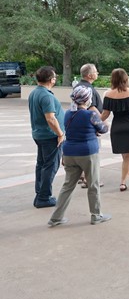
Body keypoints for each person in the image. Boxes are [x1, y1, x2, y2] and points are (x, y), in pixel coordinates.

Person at [48, 86, 111, 227]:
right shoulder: (90, 114)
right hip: (88, 152)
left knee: (68, 185)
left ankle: (56, 217)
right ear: (87, 99)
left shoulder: (68, 114)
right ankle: (96, 215)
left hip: (69, 152)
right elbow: (103, 128)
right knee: (93, 184)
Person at [28, 66, 65, 208]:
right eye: (55, 77)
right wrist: (60, 134)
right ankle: (43, 197)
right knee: (50, 166)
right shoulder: (46, 96)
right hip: (50, 137)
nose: (55, 79)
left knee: (42, 165)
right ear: (51, 79)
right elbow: (50, 118)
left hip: (39, 134)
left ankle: (40, 193)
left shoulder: (35, 93)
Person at [75, 63, 104, 188]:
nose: (97, 73)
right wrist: (100, 122)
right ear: (89, 75)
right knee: (92, 155)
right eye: (96, 71)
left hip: (80, 125)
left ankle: (82, 176)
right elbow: (91, 108)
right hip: (90, 127)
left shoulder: (78, 86)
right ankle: (89, 179)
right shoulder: (88, 89)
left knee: (82, 152)